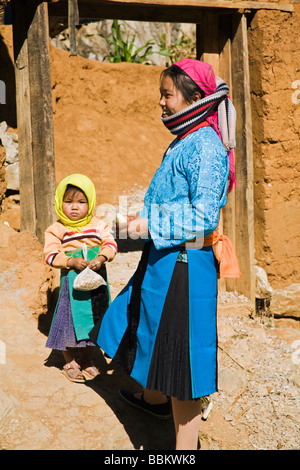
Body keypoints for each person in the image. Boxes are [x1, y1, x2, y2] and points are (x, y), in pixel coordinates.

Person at [90, 59, 241, 450]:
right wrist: (139, 219)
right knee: (150, 329)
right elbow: (174, 200)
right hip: (168, 260)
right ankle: (155, 401)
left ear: (194, 98)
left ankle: (184, 451)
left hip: (186, 267)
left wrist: (147, 227)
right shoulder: (185, 140)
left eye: (167, 94)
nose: (160, 102)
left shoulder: (205, 147)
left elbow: (204, 216)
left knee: (182, 358)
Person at [44, 174, 117, 383]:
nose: (74, 207)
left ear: (91, 203)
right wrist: (70, 262)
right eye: (68, 202)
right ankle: (69, 361)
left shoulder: (98, 225)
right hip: (72, 285)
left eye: (81, 202)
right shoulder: (56, 229)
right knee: (68, 321)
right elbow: (49, 254)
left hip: (96, 283)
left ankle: (86, 359)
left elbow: (110, 244)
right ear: (60, 203)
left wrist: (102, 257)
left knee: (96, 320)